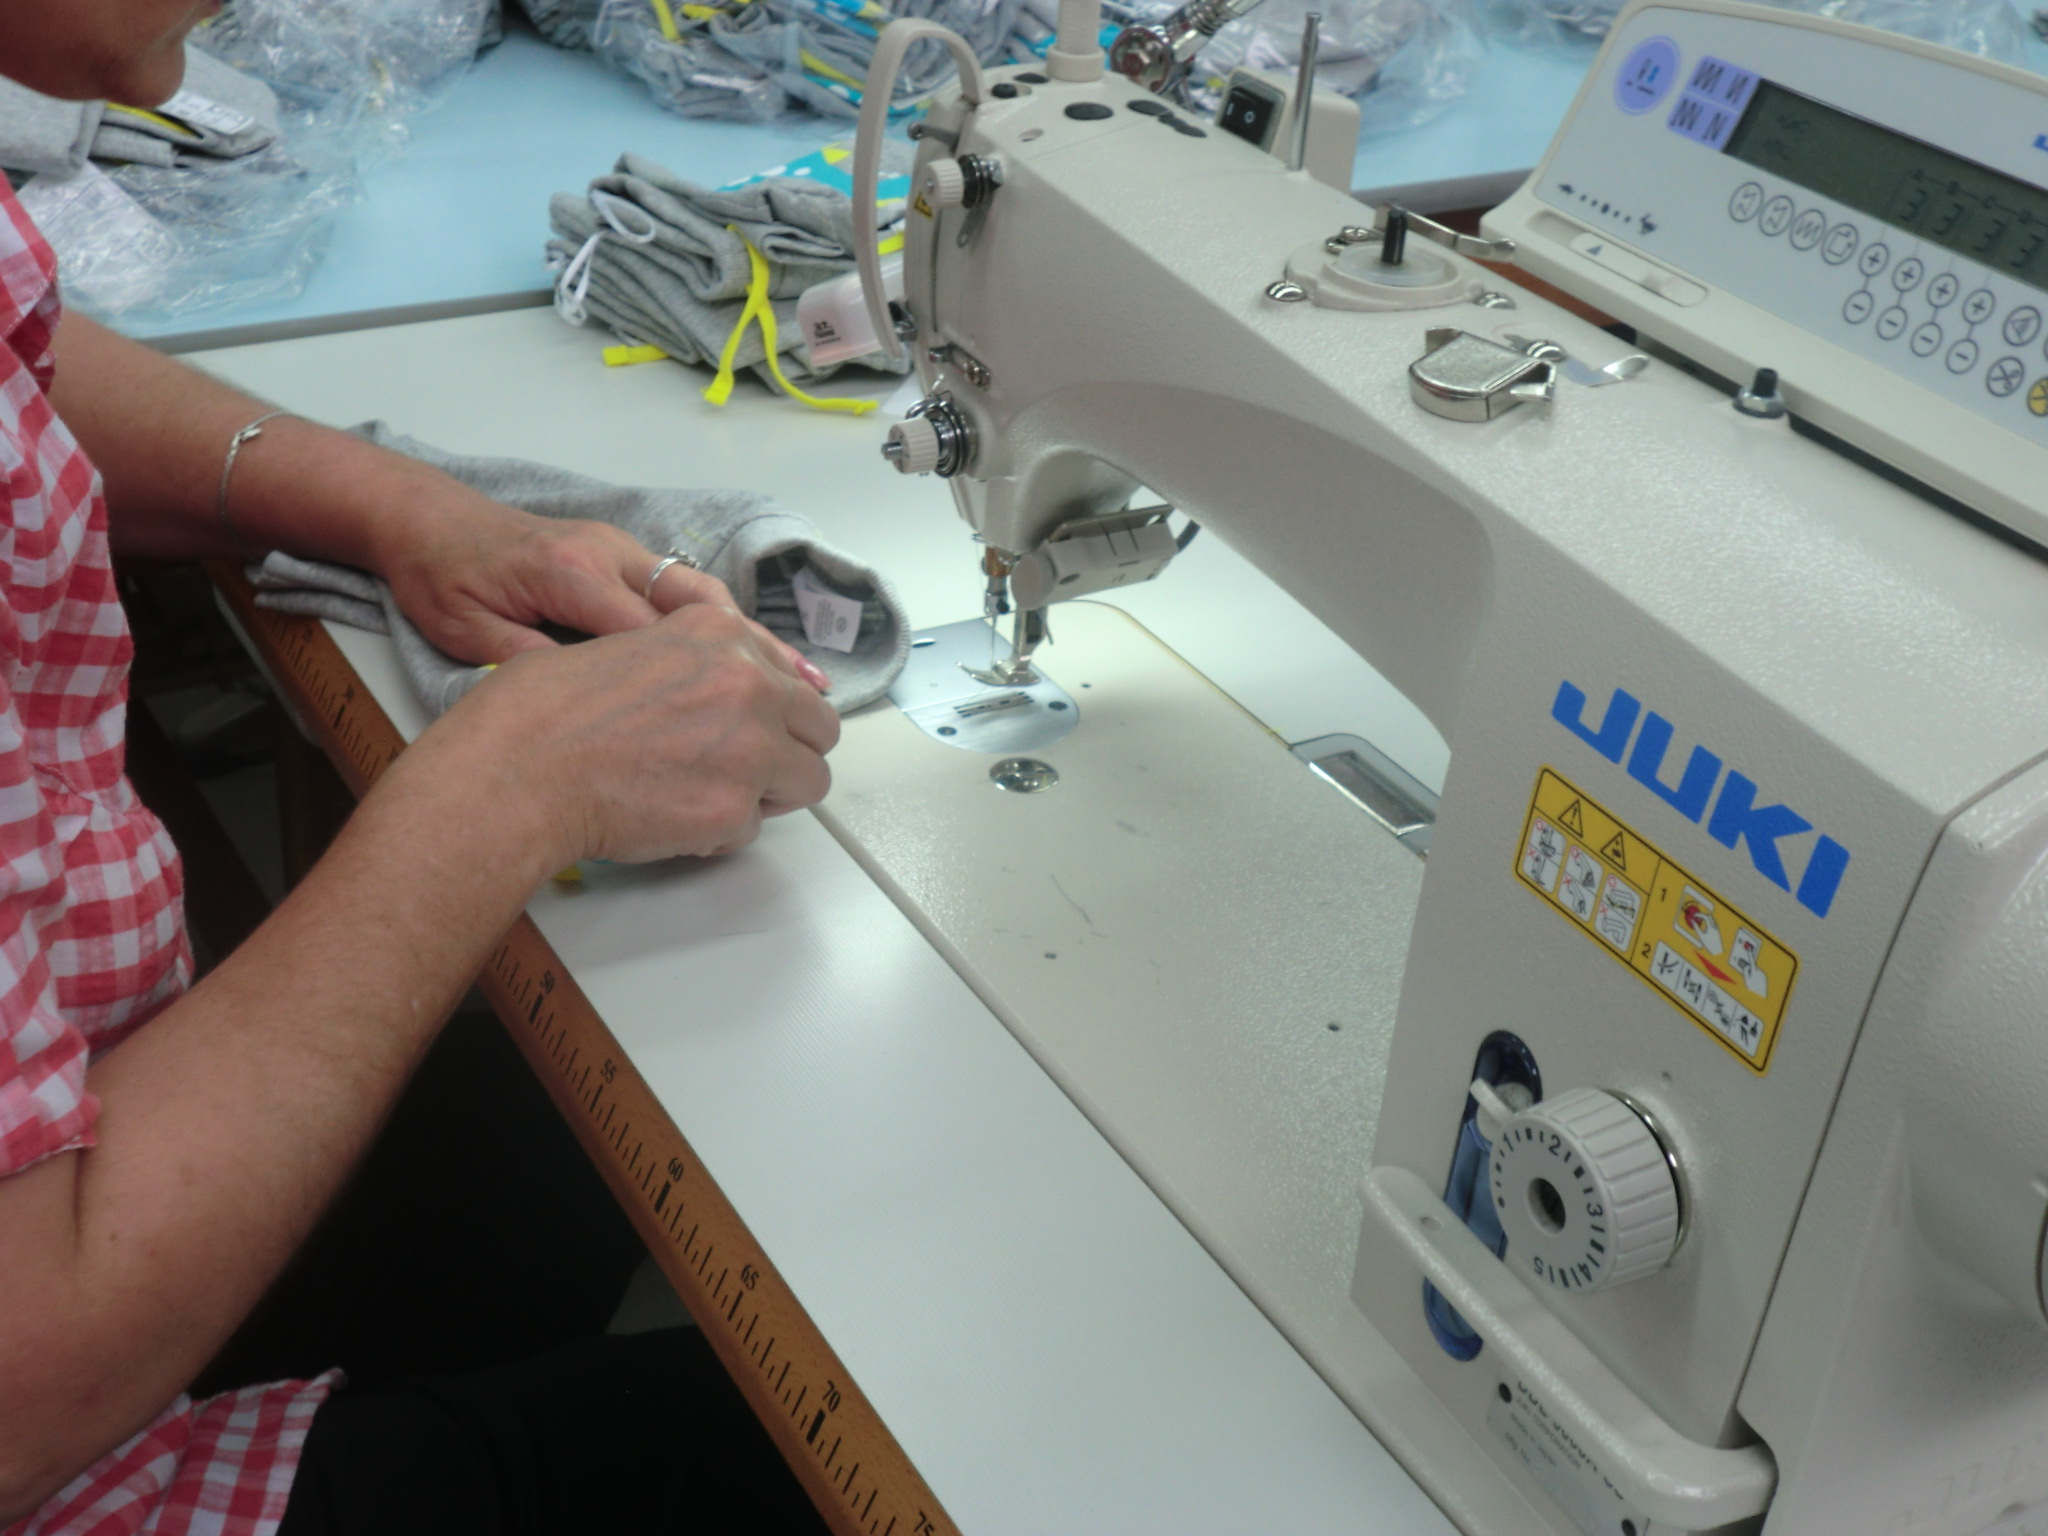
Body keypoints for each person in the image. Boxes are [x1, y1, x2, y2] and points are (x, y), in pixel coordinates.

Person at [0, 1, 845, 1531]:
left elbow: (23, 366)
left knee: (597, 1118)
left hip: (72, 1136)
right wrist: (507, 785)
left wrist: (401, 504)